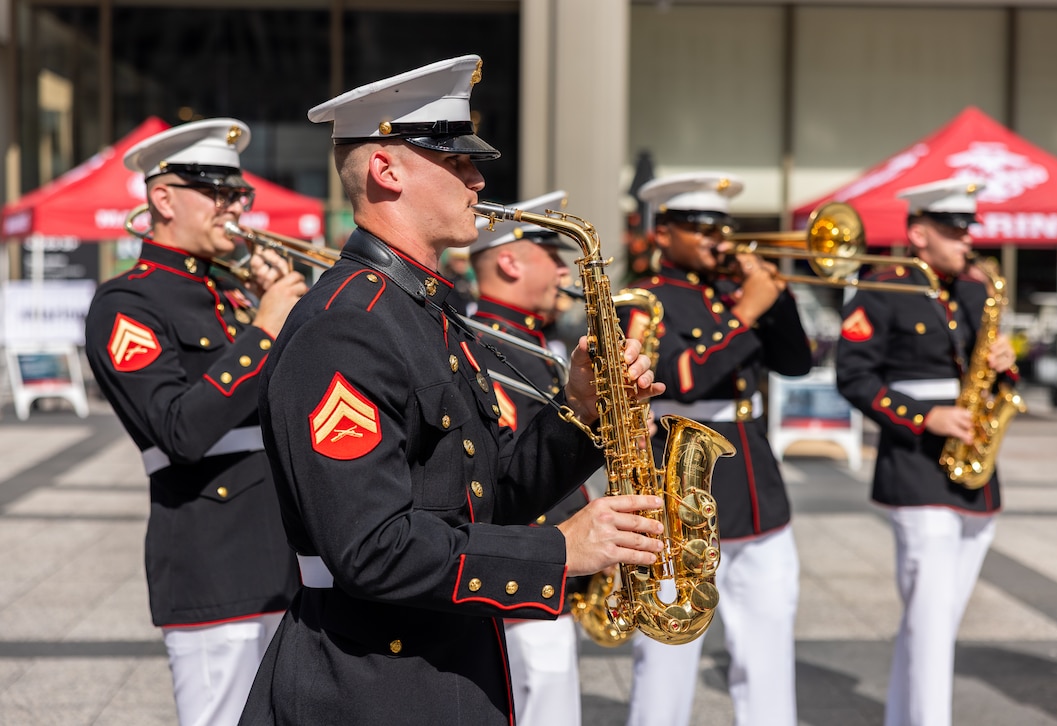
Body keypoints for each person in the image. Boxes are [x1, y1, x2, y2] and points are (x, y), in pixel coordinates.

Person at [238, 54, 666, 726]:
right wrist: (560, 549)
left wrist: (584, 414)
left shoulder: (422, 312)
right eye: (457, 160)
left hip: (444, 665)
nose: (478, 177)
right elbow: (371, 548)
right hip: (368, 688)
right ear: (387, 170)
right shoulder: (346, 327)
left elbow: (485, 493)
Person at [83, 118, 307, 726]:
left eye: (240, 194)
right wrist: (264, 331)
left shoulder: (233, 292)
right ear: (162, 198)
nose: (233, 206)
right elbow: (180, 430)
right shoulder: (127, 303)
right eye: (217, 191)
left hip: (288, 559)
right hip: (217, 560)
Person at [619, 171, 813, 726]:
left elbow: (796, 363)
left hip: (757, 492)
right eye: (700, 226)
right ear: (663, 234)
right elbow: (679, 378)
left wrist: (777, 300)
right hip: (677, 498)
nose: (717, 237)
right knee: (667, 659)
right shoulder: (645, 301)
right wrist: (745, 313)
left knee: (769, 653)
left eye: (723, 226)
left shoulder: (733, 293)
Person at [835, 178, 1018, 726]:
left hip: (973, 472)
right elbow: (854, 377)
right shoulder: (883, 288)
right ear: (918, 233)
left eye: (968, 229)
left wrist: (1008, 363)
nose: (966, 240)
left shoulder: (974, 289)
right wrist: (925, 415)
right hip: (915, 466)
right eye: (953, 229)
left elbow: (990, 375)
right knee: (932, 623)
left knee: (931, 623)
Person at [469, 189, 589, 725]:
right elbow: (510, 469)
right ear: (510, 260)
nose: (564, 272)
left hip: (546, 567)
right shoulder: (488, 342)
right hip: (526, 576)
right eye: (552, 256)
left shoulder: (530, 342)